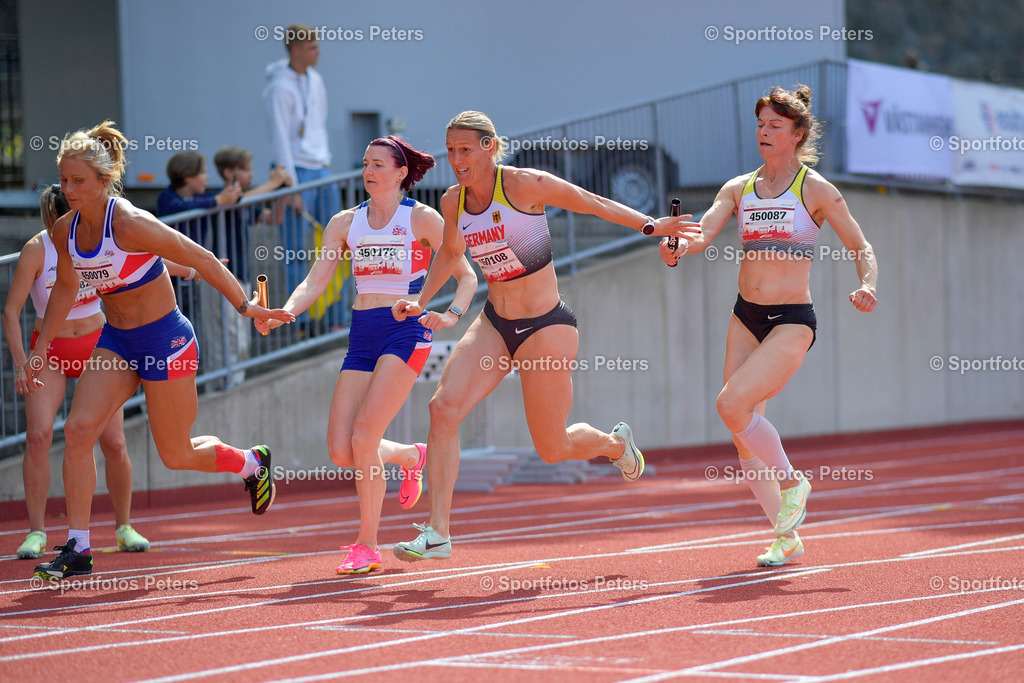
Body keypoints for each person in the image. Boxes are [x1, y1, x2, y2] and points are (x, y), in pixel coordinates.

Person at [389, 111, 699, 562]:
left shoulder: (524, 184)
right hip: (495, 323)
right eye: (451, 150)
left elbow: (591, 201)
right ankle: (438, 532)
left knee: (553, 448)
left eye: (465, 149)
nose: (456, 159)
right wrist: (420, 299)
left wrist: (651, 225)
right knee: (443, 409)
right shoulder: (453, 201)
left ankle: (615, 444)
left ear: (489, 146)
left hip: (546, 326)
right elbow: (453, 253)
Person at [22, 121, 294, 581]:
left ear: (103, 181)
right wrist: (40, 349)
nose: (68, 189)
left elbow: (201, 258)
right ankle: (79, 547)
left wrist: (248, 307)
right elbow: (66, 290)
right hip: (117, 340)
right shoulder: (66, 230)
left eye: (79, 180)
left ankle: (250, 462)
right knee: (79, 430)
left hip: (164, 339)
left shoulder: (128, 222)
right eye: (65, 180)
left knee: (177, 453)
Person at [659, 85, 878, 567]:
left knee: (730, 404)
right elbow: (704, 233)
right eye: (759, 123)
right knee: (741, 431)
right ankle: (786, 535)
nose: (763, 131)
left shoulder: (816, 189)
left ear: (796, 134)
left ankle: (793, 481)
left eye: (774, 125)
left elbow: (860, 246)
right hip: (746, 315)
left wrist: (868, 284)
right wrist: (679, 244)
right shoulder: (738, 187)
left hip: (792, 320)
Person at [257, 136, 477, 574]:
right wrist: (287, 310)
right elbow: (316, 280)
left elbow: (466, 276)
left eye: (379, 165)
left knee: (363, 436)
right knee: (342, 449)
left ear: (401, 173)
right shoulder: (345, 222)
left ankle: (367, 545)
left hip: (405, 330)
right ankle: (409, 457)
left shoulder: (422, 218)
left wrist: (449, 314)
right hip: (363, 333)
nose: (369, 171)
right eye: (365, 164)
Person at [3, 185, 150, 559]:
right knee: (37, 437)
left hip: (96, 348)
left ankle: (124, 526)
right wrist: (22, 363)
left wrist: (190, 266)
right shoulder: (38, 249)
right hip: (49, 352)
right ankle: (36, 531)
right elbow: (10, 311)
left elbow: (146, 259)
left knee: (113, 441)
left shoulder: (97, 240)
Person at [262, 23, 341, 317]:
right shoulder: (278, 88)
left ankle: (334, 317)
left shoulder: (315, 79)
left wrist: (325, 160)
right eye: (312, 47)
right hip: (296, 171)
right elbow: (280, 138)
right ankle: (300, 319)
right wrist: (292, 185)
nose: (318, 52)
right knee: (295, 249)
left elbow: (319, 124)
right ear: (296, 50)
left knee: (336, 244)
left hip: (320, 169)